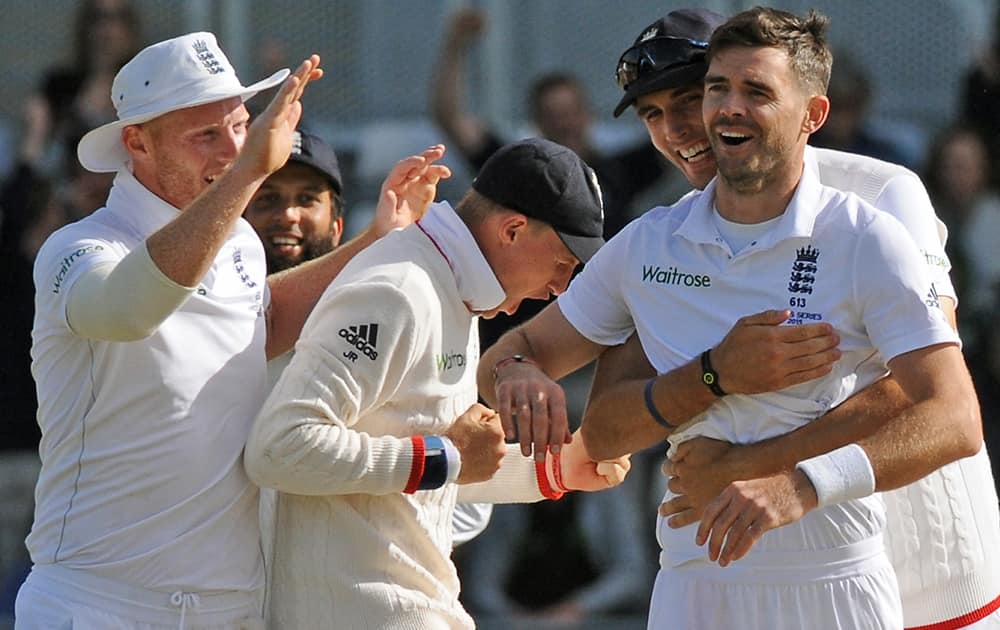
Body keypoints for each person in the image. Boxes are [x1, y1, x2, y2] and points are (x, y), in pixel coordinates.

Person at [480, 7, 986, 628]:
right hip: (716, 558)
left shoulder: (878, 201)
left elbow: (926, 398)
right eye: (653, 115)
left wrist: (754, 466)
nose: (680, 129)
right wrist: (516, 369)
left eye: (692, 99)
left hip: (918, 543)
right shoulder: (656, 239)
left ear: (802, 108)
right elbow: (607, 413)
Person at [16, 31, 450, 629]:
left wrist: (375, 240)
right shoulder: (78, 248)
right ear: (135, 142)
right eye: (206, 135)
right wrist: (246, 172)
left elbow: (258, 322)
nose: (233, 148)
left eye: (241, 127)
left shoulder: (239, 240)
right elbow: (127, 308)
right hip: (97, 605)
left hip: (232, 609)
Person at [243, 137, 631, 630]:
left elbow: (429, 473)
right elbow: (279, 448)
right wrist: (445, 456)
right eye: (563, 264)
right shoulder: (400, 290)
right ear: (512, 230)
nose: (560, 288)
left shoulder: (448, 286)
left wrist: (557, 470)